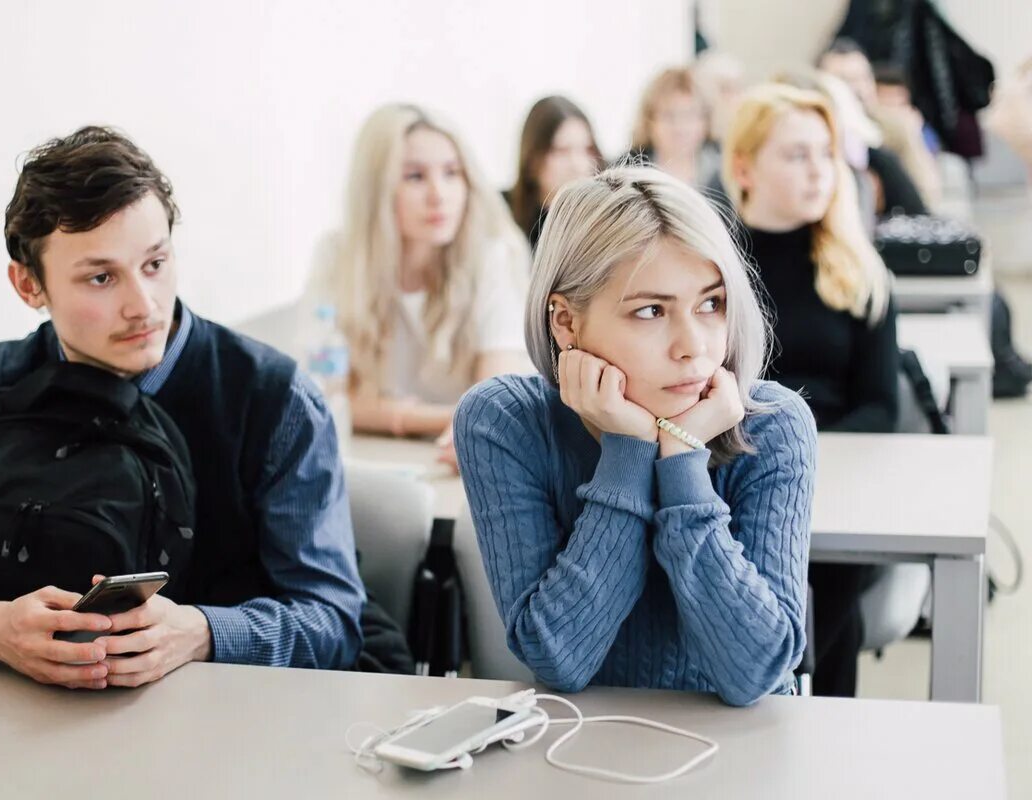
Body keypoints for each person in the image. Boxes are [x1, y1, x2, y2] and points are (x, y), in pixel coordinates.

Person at [0, 126, 366, 689]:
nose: (143, 306)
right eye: (102, 277)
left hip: (228, 731)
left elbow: (332, 620)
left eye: (155, 264)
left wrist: (202, 633)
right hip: (17, 730)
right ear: (28, 285)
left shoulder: (275, 399)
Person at [454, 164, 815, 706]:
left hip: (744, 760)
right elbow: (560, 659)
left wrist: (684, 462)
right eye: (651, 311)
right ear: (565, 323)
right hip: (579, 754)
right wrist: (629, 453)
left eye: (711, 304)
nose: (693, 345)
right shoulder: (503, 421)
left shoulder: (772, 422)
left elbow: (756, 672)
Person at [724, 84, 898, 697]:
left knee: (831, 590)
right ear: (743, 166)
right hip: (732, 466)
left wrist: (803, 455)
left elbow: (880, 407)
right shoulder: (712, 271)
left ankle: (807, 707)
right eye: (797, 154)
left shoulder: (856, 270)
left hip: (835, 478)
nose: (819, 170)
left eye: (826, 153)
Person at [308, 104, 531, 467]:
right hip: (377, 461)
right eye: (414, 176)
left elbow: (492, 405)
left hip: (466, 465)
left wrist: (385, 413)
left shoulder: (493, 258)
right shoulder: (337, 257)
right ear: (376, 189)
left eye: (452, 173)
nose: (439, 194)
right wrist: (441, 419)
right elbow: (325, 396)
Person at [818, 39, 942, 211]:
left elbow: (925, 192)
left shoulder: (896, 127)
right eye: (843, 80)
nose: (856, 88)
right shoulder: (813, 132)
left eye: (862, 78)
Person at [506, 96, 604, 250]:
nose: (579, 164)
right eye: (562, 150)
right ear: (532, 159)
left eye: (587, 149)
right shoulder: (506, 224)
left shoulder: (603, 225)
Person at [628, 67, 721, 189]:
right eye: (668, 115)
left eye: (689, 114)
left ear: (706, 120)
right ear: (649, 121)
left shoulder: (726, 173)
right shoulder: (627, 175)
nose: (679, 126)